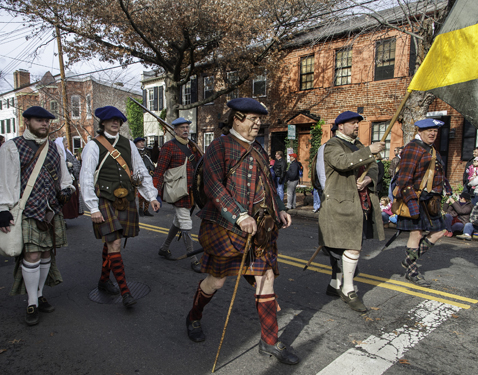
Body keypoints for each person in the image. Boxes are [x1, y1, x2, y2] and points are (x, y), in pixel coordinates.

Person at [184, 98, 298, 365]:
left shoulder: (258, 147)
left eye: (260, 118)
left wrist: (279, 208)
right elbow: (213, 186)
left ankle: (269, 341)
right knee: (217, 281)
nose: (258, 123)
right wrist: (238, 215)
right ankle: (194, 316)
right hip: (225, 229)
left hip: (259, 229)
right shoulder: (219, 146)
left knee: (266, 277)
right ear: (236, 118)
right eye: (252, 118)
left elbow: (269, 184)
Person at [0, 106, 74, 325]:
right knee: (32, 257)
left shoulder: (54, 148)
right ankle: (32, 302)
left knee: (47, 254)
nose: (45, 124)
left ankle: (39, 294)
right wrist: (2, 209)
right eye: (39, 121)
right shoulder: (11, 147)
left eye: (47, 121)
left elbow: (64, 177)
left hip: (50, 211)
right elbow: (1, 179)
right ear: (27, 121)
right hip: (26, 211)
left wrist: (67, 189)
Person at [80, 106, 160, 308]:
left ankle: (103, 281)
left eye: (118, 120)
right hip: (105, 200)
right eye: (111, 120)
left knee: (111, 243)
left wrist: (151, 195)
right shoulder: (93, 146)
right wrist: (93, 208)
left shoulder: (128, 144)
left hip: (125, 200)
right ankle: (125, 292)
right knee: (114, 244)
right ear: (103, 123)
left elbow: (140, 171)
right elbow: (86, 177)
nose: (116, 123)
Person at [319, 111, 385, 312]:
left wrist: (368, 179)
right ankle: (348, 290)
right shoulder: (332, 146)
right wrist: (369, 150)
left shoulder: (358, 146)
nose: (357, 126)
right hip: (340, 204)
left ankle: (334, 284)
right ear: (340, 126)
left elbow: (374, 167)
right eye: (352, 123)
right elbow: (342, 162)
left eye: (358, 123)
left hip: (360, 203)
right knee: (350, 246)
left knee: (347, 246)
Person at [395, 118, 450, 287]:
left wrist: (447, 189)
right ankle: (412, 272)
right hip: (415, 197)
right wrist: (412, 203)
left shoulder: (432, 150)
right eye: (429, 130)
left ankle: (409, 259)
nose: (433, 133)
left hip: (431, 199)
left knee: (439, 232)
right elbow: (403, 179)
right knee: (416, 234)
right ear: (419, 131)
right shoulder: (413, 148)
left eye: (435, 130)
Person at [154, 117, 202, 273]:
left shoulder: (192, 147)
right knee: (186, 223)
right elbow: (159, 171)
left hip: (192, 192)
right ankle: (193, 259)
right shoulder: (168, 147)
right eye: (182, 127)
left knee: (178, 221)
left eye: (187, 127)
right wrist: (154, 193)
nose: (186, 130)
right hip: (178, 192)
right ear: (174, 129)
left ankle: (164, 248)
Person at [55, 137, 82, 220]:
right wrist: (67, 165)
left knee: (72, 200)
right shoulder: (59, 153)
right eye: (65, 143)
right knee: (64, 200)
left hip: (72, 179)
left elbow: (76, 163)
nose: (67, 145)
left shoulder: (67, 152)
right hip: (63, 181)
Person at [134, 137, 155, 217]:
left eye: (143, 142)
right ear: (136, 144)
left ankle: (146, 210)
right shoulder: (134, 152)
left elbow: (150, 161)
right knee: (140, 194)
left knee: (148, 192)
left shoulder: (147, 152)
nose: (142, 143)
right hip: (138, 175)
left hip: (148, 173)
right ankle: (140, 209)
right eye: (140, 142)